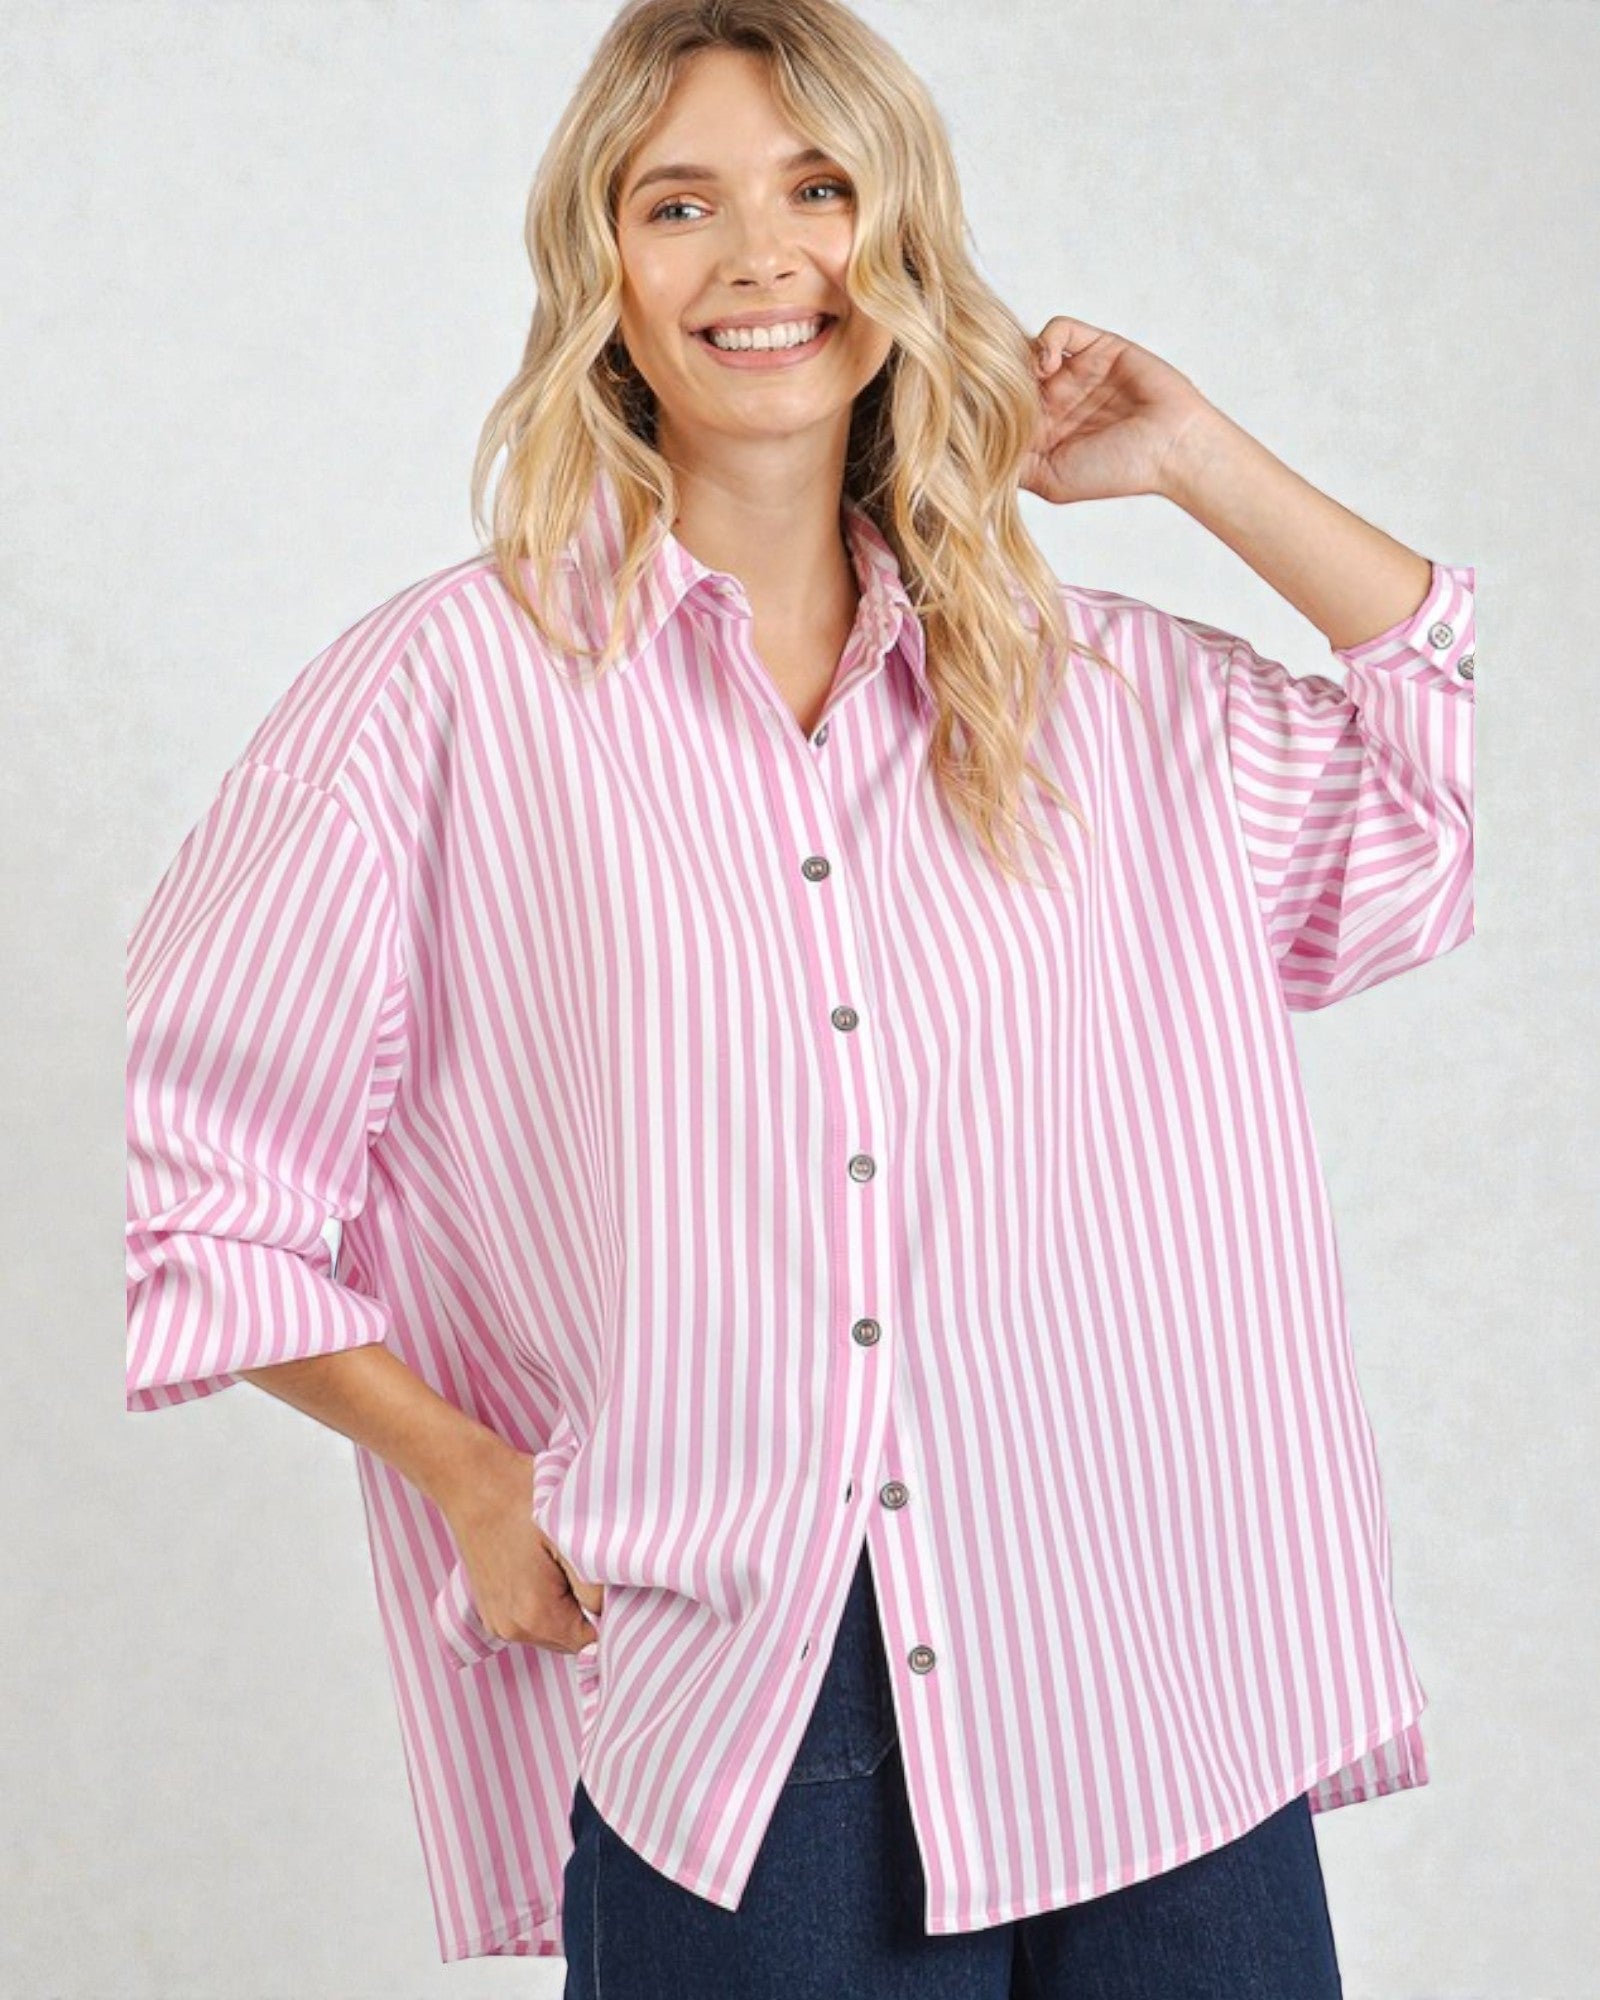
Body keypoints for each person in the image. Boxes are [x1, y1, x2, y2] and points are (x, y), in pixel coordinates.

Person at [124, 0, 1475, 1992]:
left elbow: (1419, 799)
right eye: (680, 203)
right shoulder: (441, 698)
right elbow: (200, 1191)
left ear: (901, 249)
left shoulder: (1098, 690)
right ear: (601, 269)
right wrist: (471, 1478)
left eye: (818, 190)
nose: (759, 258)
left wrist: (1192, 457)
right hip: (753, 1702)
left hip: (1153, 1660)